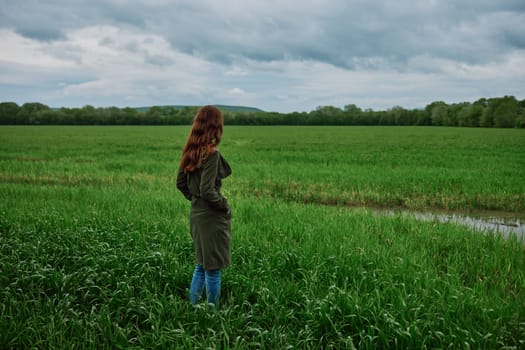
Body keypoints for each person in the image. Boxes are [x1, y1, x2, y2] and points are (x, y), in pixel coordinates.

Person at [176, 105, 232, 310]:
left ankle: (193, 308)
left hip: (196, 215)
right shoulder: (211, 153)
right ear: (215, 126)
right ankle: (212, 313)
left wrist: (195, 201)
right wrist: (224, 205)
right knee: (213, 269)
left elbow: (180, 184)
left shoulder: (190, 151)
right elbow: (208, 190)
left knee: (201, 265)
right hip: (211, 217)